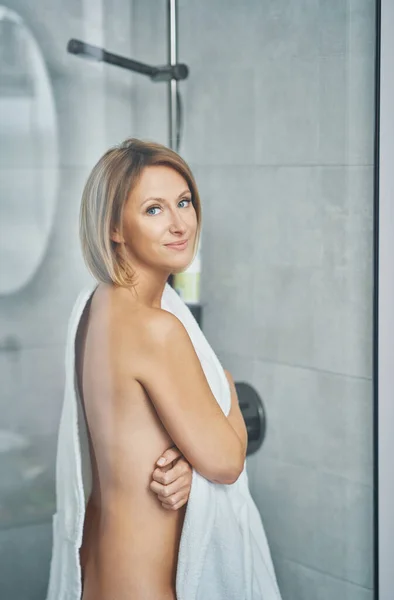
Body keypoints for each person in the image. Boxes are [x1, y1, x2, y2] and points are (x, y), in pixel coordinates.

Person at [46, 137, 282, 600]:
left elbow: (132, 439)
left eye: (184, 201)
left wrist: (187, 466)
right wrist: (228, 393)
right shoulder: (157, 329)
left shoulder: (98, 306)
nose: (179, 224)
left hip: (99, 576)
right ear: (114, 227)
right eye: (153, 210)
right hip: (143, 586)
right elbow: (229, 463)